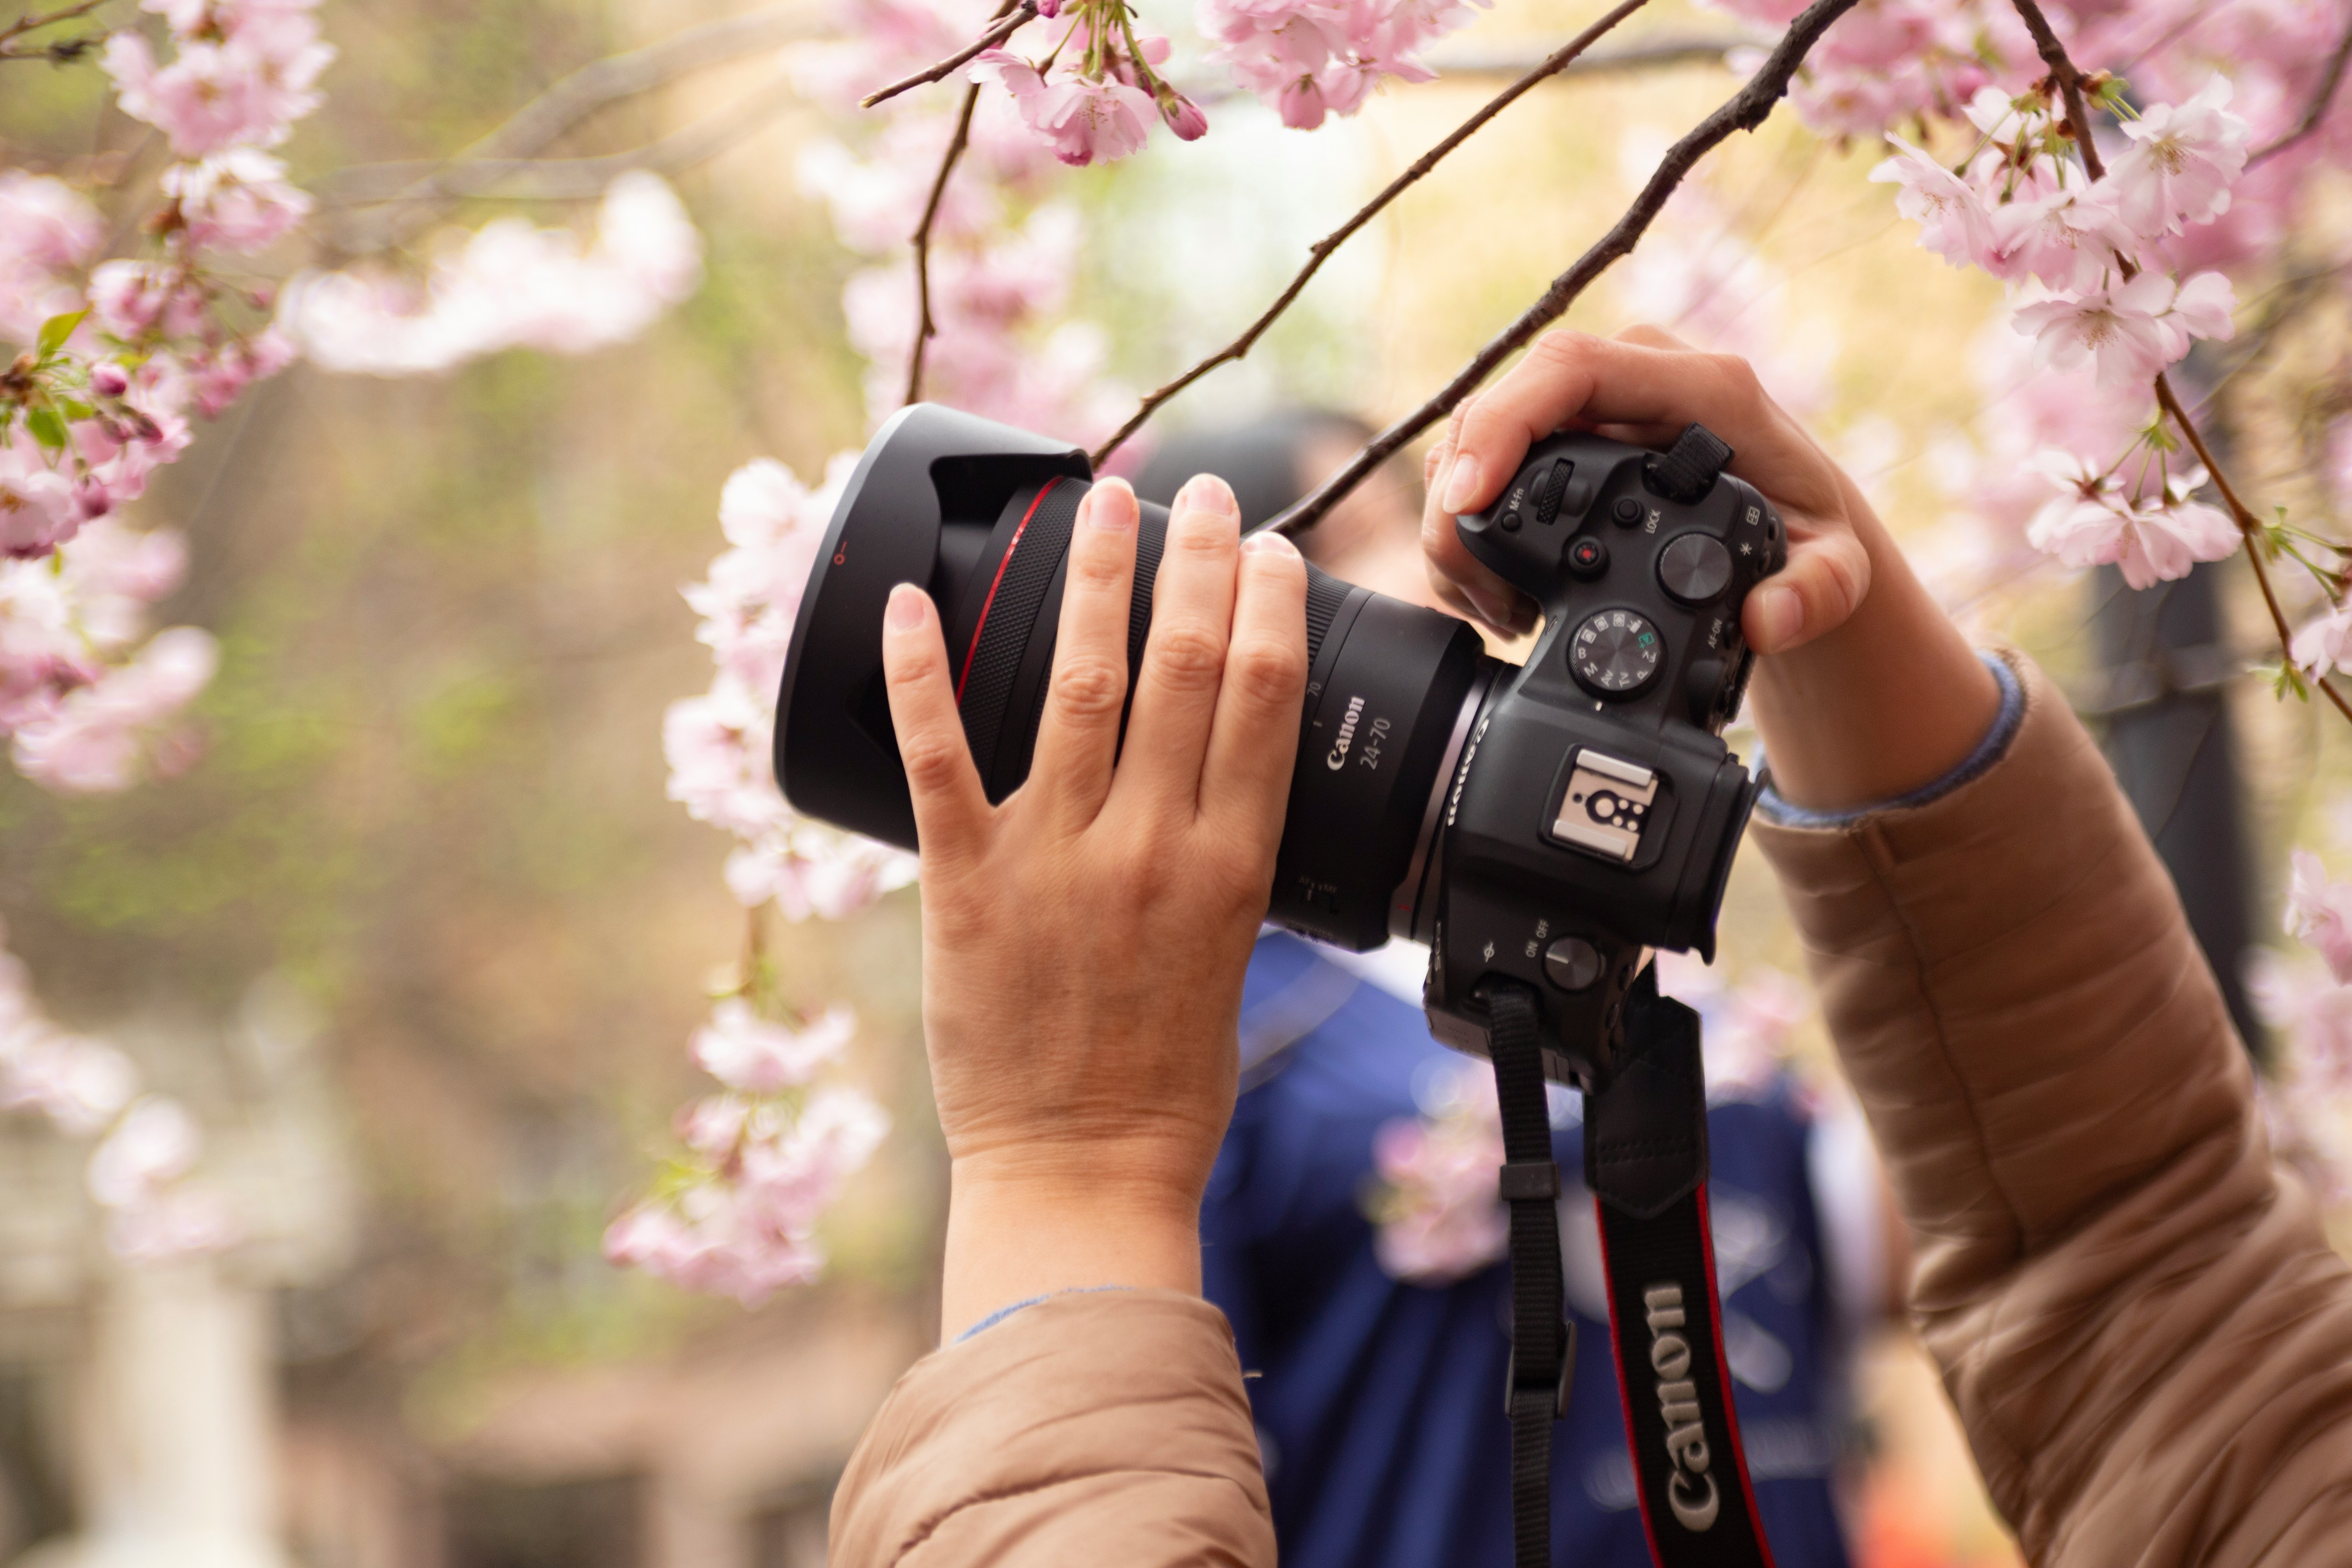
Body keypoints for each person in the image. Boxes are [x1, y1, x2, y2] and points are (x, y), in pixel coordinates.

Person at [828, 327, 2352, 1567]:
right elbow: (2139, 1264)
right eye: (1335, 574)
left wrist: (1066, 1163)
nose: (1427, 607)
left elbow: (2083, 1259)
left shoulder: (1651, 1011)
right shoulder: (1213, 1035)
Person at [1132, 417, 1898, 1568]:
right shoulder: (1228, 1036)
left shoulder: (1674, 975)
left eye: (1414, 516)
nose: (1415, 571)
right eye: (1338, 547)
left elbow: (1921, 1254)